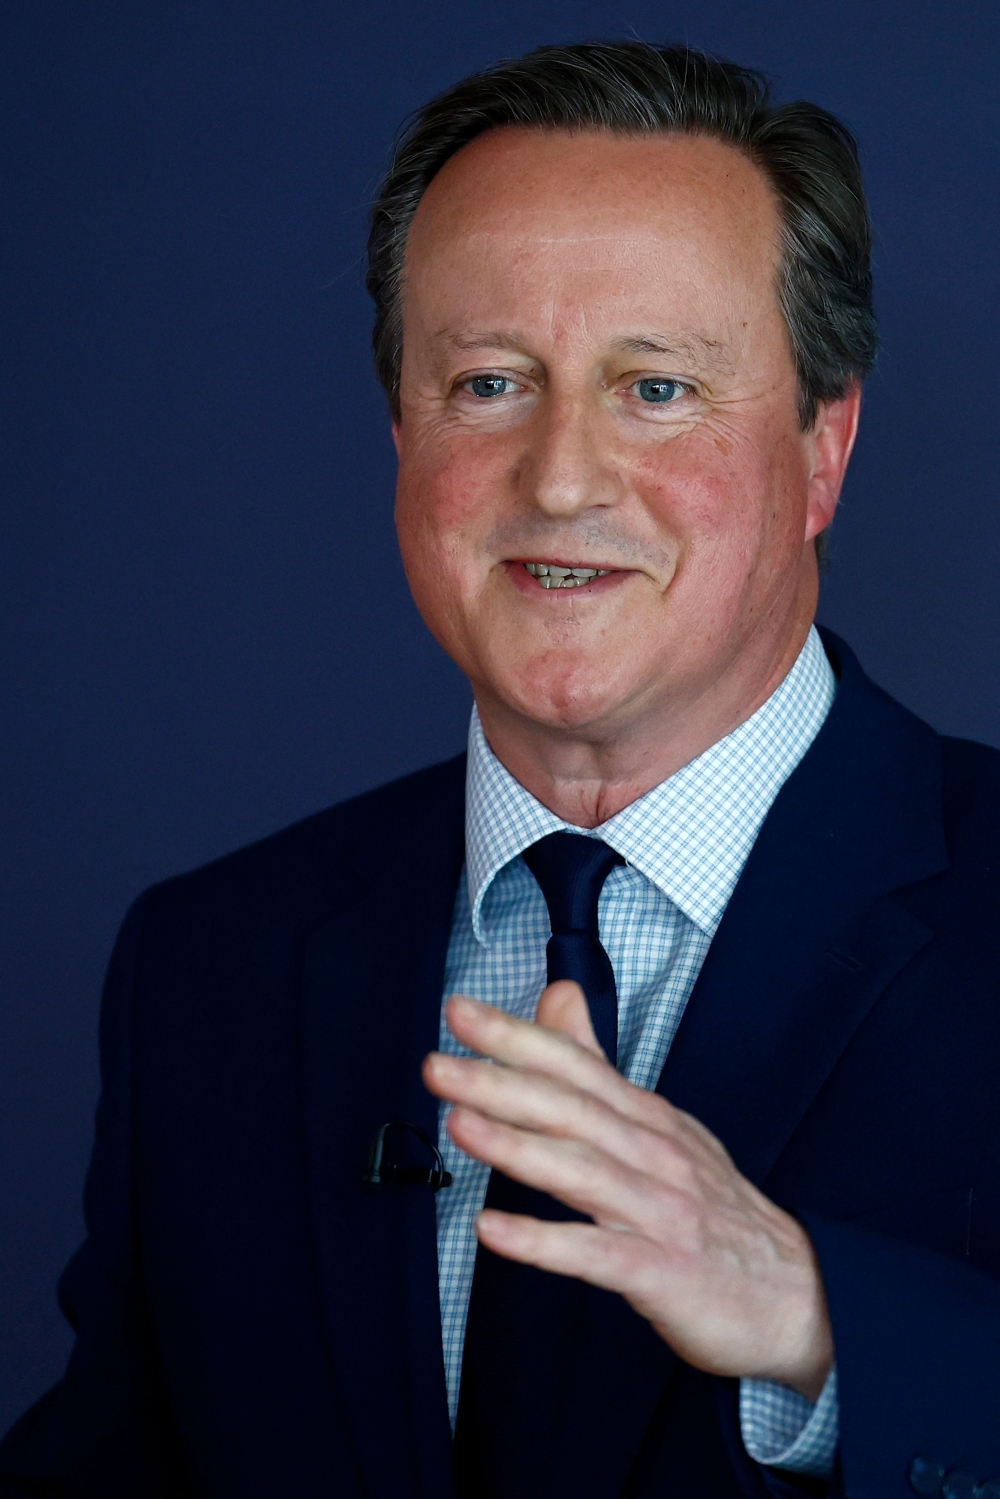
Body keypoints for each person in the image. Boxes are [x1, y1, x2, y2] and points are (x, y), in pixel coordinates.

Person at [2, 38, 999, 1499]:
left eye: (656, 388)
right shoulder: (211, 963)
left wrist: (819, 1324)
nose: (562, 478)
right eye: (488, 384)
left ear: (824, 447)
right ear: (402, 428)